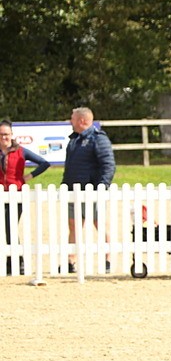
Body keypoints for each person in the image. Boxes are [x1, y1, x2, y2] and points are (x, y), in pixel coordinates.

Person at [63, 107, 116, 273]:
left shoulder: (98, 139)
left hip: (91, 191)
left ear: (81, 121)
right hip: (73, 191)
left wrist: (102, 186)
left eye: (72, 119)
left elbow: (108, 164)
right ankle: (71, 261)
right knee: (74, 226)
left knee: (99, 224)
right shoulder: (74, 140)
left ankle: (107, 259)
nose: (70, 122)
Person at [0, 119, 51, 275]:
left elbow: (44, 163)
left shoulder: (21, 151)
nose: (3, 138)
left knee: (10, 228)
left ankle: (17, 262)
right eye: (1, 135)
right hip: (1, 193)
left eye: (6, 134)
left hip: (17, 194)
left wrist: (28, 176)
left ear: (12, 135)